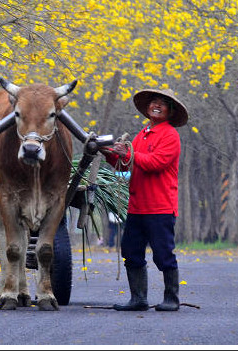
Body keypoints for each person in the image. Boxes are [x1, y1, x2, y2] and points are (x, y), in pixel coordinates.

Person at [101, 87, 188, 312]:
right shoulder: (143, 134)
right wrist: (110, 153)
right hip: (137, 207)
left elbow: (154, 163)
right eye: (153, 102)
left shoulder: (170, 135)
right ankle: (138, 298)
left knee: (163, 254)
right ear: (147, 107)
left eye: (163, 103)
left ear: (170, 111)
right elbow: (126, 165)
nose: (156, 105)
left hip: (160, 208)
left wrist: (126, 153)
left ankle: (172, 299)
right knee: (131, 252)